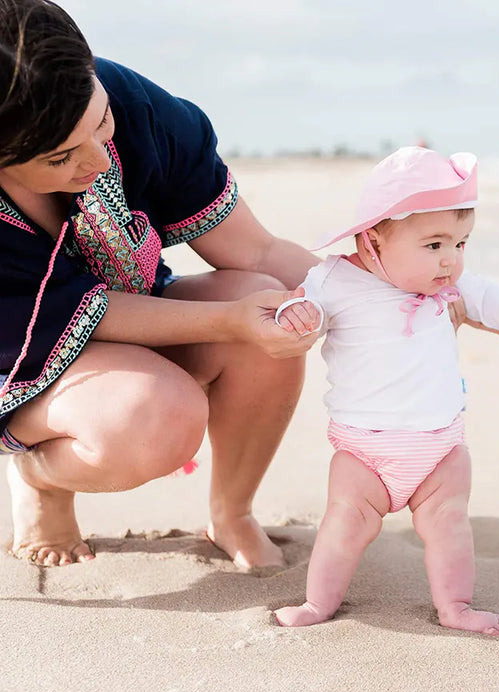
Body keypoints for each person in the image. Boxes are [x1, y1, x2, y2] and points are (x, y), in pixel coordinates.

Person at [0, 0, 322, 568]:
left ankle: (233, 512)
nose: (100, 161)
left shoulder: (132, 104)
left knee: (266, 304)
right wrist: (225, 321)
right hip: (16, 360)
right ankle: (39, 473)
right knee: (152, 418)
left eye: (100, 122)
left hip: (131, 308)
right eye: (60, 157)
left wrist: (387, 292)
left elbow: (257, 249)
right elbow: (75, 311)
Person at [273, 146, 499, 634]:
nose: (451, 261)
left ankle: (456, 607)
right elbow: (308, 309)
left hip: (440, 448)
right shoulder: (335, 279)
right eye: (434, 246)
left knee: (450, 524)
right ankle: (318, 603)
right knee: (344, 524)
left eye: (461, 244)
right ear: (372, 242)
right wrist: (296, 315)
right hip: (365, 452)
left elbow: (490, 297)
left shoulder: (446, 287)